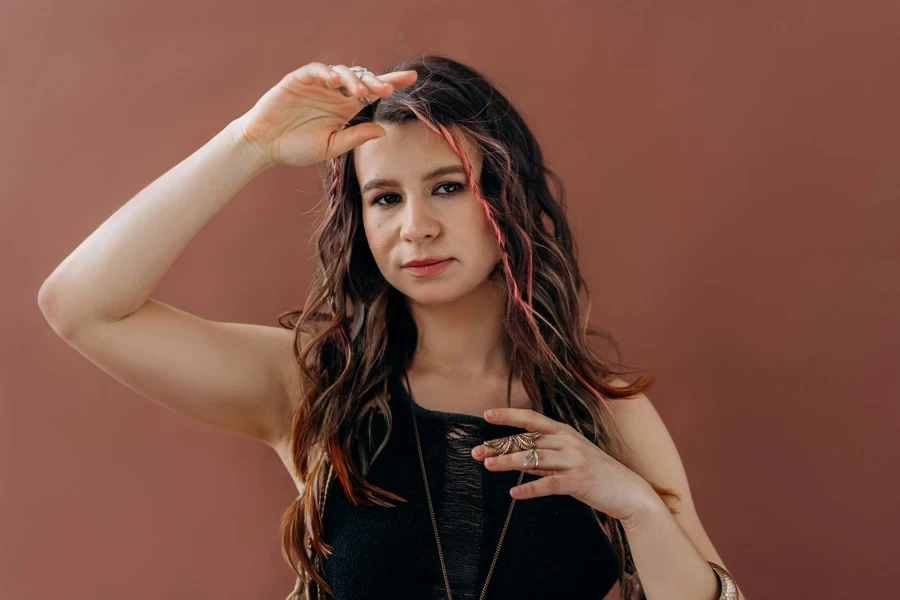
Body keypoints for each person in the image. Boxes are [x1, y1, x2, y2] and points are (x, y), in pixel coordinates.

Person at [38, 55, 743, 600]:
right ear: (362, 223)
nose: (416, 227)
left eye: (447, 186)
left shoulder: (606, 411)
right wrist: (248, 144)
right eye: (384, 197)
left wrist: (636, 507)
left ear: (506, 198)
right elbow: (82, 306)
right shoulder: (311, 384)